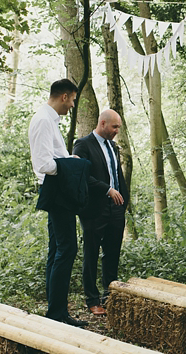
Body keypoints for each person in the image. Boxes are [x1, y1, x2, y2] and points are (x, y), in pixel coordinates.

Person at [28, 79, 88, 327]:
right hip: (56, 192)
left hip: (56, 190)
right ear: (64, 96)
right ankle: (57, 313)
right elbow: (43, 164)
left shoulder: (50, 119)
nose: (73, 105)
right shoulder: (43, 120)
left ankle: (55, 311)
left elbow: (54, 157)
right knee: (67, 249)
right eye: (73, 99)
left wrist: (66, 158)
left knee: (57, 250)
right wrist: (71, 165)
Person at [73, 109, 129, 316]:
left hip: (116, 208)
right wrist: (107, 189)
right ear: (103, 123)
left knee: (112, 253)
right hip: (93, 208)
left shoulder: (114, 147)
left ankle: (110, 295)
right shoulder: (83, 144)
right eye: (114, 127)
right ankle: (92, 299)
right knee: (91, 253)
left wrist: (124, 201)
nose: (116, 131)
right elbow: (82, 175)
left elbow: (117, 176)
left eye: (118, 128)